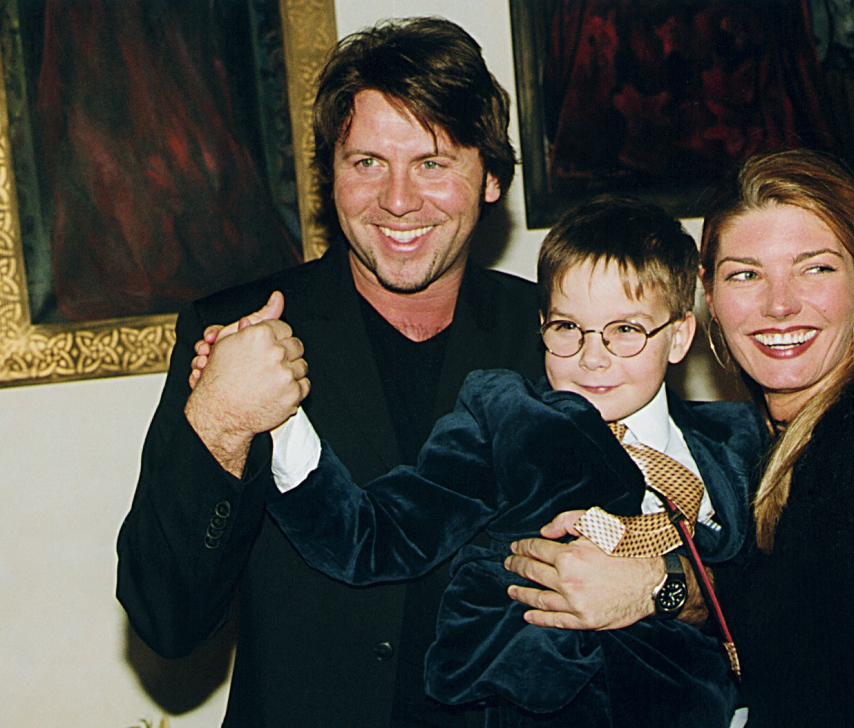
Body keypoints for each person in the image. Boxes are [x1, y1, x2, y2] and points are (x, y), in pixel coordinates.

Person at [116, 18, 545, 727]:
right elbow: (166, 620)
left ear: (491, 178)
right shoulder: (237, 332)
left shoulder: (555, 337)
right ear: (331, 174)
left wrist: (659, 585)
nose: (398, 199)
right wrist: (220, 423)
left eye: (433, 163)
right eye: (367, 162)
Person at [194, 196, 766, 727]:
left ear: (679, 336)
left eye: (625, 331)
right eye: (567, 328)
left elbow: (771, 601)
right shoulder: (507, 422)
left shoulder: (737, 442)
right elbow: (373, 536)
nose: (593, 358)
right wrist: (279, 420)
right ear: (541, 327)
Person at [507, 148, 854, 726]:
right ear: (709, 297)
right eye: (745, 274)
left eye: (815, 268)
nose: (779, 305)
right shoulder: (765, 446)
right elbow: (790, 607)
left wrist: (657, 588)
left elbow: (821, 666)